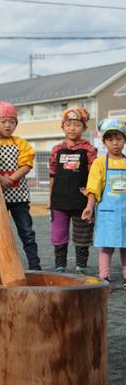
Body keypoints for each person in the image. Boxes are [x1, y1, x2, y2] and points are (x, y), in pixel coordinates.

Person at [0, 100, 41, 270]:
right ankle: (3, 266)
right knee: (1, 232)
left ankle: (35, 266)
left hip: (19, 196)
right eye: (3, 122)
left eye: (12, 122)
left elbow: (26, 164)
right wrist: (2, 181)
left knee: (26, 232)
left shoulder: (21, 143)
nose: (8, 125)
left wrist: (9, 180)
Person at [49, 108, 97, 273]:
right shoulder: (56, 150)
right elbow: (52, 175)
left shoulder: (89, 150)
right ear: (63, 127)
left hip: (81, 202)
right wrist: (51, 198)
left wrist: (91, 201)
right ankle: (60, 265)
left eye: (77, 125)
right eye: (68, 124)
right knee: (58, 235)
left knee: (82, 236)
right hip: (59, 201)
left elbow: (94, 177)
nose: (72, 128)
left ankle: (81, 266)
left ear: (84, 128)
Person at [82, 119, 126, 287]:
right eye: (110, 139)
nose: (115, 143)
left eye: (119, 138)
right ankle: (104, 277)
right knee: (106, 247)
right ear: (104, 142)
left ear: (124, 140)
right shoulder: (100, 163)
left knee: (125, 246)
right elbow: (93, 187)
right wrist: (89, 207)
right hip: (108, 212)